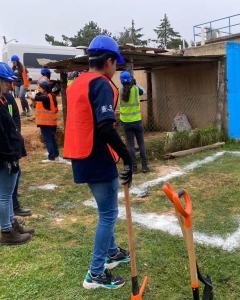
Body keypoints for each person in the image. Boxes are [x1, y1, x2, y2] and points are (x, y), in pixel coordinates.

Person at [64, 35, 133, 290]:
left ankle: (112, 252)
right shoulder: (101, 83)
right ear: (109, 61)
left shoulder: (77, 83)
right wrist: (127, 155)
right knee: (108, 214)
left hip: (82, 155)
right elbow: (105, 128)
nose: (115, 70)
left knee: (106, 210)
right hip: (96, 156)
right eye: (116, 65)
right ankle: (95, 273)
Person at [0, 60, 34, 245]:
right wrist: (9, 158)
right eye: (5, 81)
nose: (9, 84)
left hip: (7, 156)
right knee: (4, 195)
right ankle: (7, 232)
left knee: (8, 192)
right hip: (1, 158)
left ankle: (12, 225)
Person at [2, 63, 32, 216]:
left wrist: (17, 133)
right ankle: (11, 211)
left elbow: (15, 116)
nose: (10, 85)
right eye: (6, 81)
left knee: (16, 174)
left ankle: (13, 206)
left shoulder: (7, 98)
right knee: (5, 183)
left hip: (11, 144)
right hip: (3, 148)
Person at [118, 71, 149, 173]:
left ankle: (134, 168)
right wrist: (135, 83)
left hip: (126, 122)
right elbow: (144, 92)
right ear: (131, 80)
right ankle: (144, 166)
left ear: (121, 81)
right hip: (137, 121)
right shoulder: (136, 89)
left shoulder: (119, 90)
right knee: (141, 144)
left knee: (130, 145)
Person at [27, 83, 64, 164]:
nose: (38, 89)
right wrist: (33, 100)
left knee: (48, 140)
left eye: (40, 88)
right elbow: (35, 106)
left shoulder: (46, 97)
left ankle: (51, 157)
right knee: (52, 139)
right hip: (51, 122)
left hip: (45, 123)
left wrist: (30, 95)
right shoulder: (50, 97)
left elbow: (36, 97)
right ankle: (56, 156)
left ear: (45, 89)